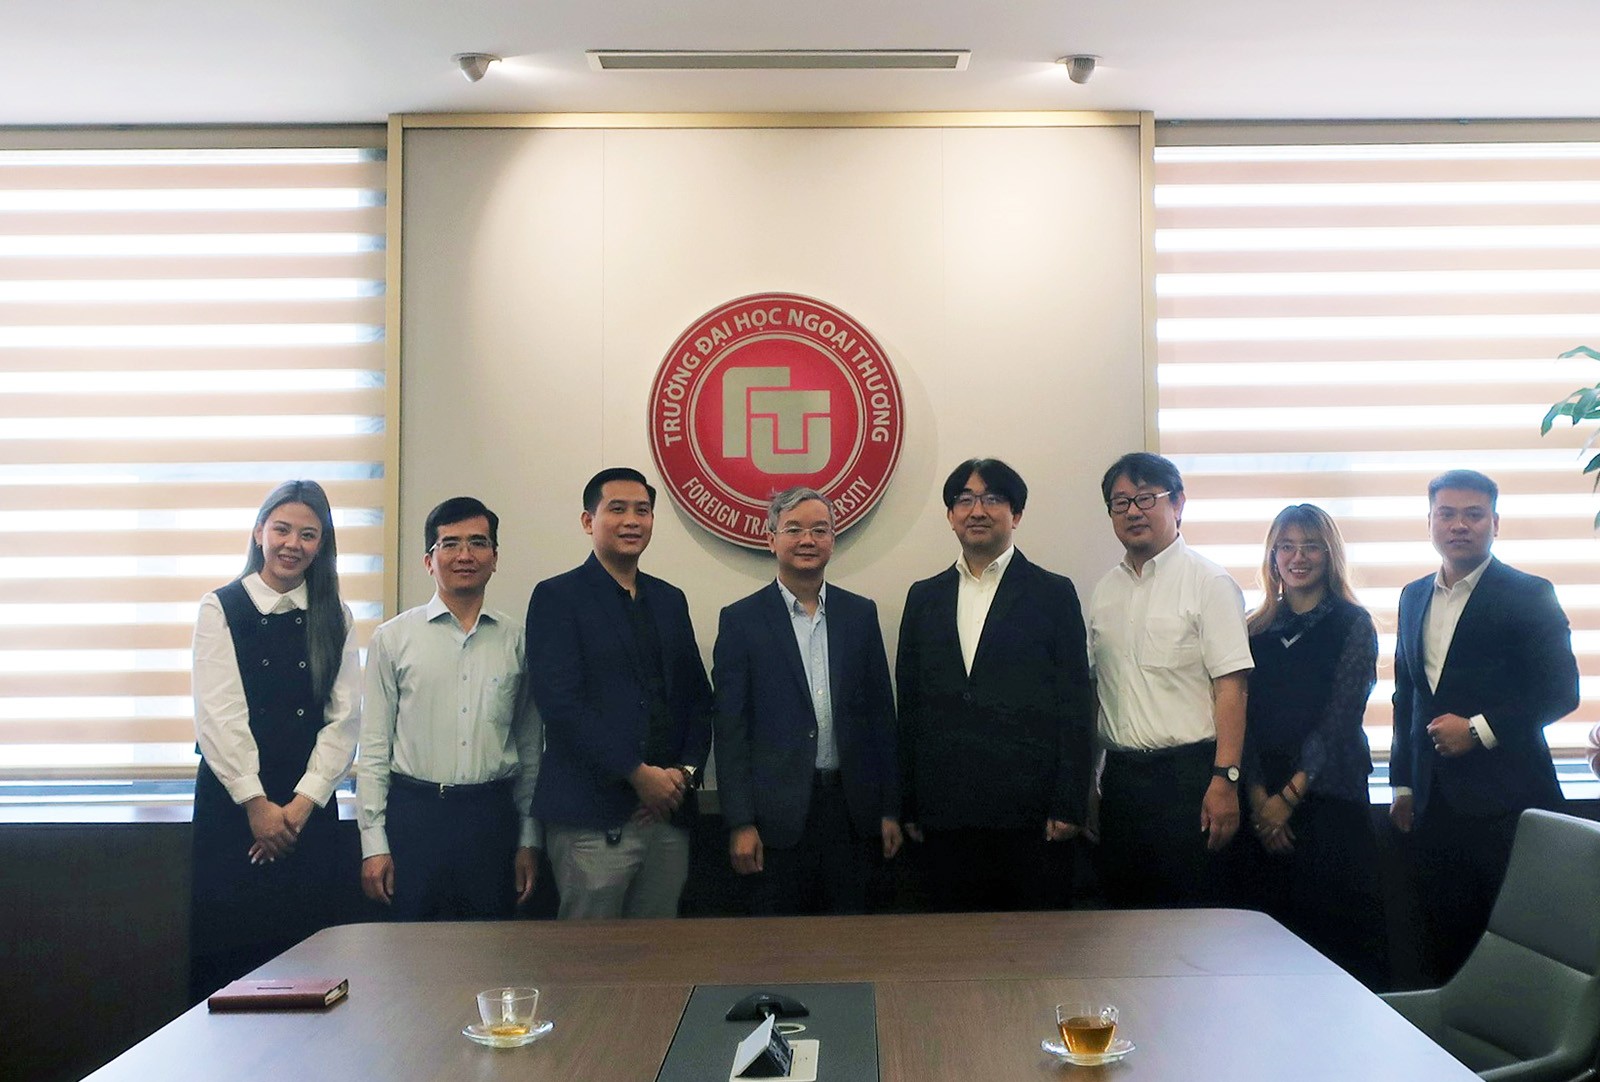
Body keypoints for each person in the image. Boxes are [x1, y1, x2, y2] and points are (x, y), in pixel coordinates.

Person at [1390, 469, 1579, 984]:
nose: (1459, 525)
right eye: (1447, 514)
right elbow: (1407, 695)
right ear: (1430, 522)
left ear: (1495, 523)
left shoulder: (1529, 593)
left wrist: (1477, 729)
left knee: (1516, 950)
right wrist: (1402, 784)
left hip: (1510, 804)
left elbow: (1561, 690)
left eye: (1473, 514)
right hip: (1431, 805)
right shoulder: (1412, 596)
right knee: (1441, 947)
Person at [895, 458, 1094, 912]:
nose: (977, 510)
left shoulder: (1053, 593)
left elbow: (1074, 704)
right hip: (944, 814)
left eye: (992, 499)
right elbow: (910, 706)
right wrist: (910, 802)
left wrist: (1069, 803)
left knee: (1034, 946)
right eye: (964, 500)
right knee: (952, 946)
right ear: (950, 516)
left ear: (1016, 514)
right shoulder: (924, 597)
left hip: (1031, 816)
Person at [189, 480, 361, 1001]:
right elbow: (218, 714)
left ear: (322, 544)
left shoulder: (336, 615)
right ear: (259, 531)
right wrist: (256, 804)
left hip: (308, 804)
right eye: (282, 529)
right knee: (230, 953)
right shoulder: (221, 607)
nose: (293, 544)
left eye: (308, 535)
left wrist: (302, 805)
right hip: (233, 803)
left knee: (311, 956)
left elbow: (344, 719)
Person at [526, 467, 714, 919]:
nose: (632, 520)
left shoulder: (670, 599)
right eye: (618, 509)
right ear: (588, 521)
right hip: (592, 820)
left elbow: (697, 698)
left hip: (667, 817)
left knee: (658, 954)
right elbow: (561, 705)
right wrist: (637, 774)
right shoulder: (557, 597)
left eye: (643, 510)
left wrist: (682, 775)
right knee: (592, 956)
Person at [713, 487, 901, 915]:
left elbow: (881, 718)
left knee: (853, 936)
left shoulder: (860, 614)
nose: (807, 540)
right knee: (781, 942)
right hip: (774, 820)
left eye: (819, 530)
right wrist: (740, 822)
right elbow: (730, 731)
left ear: (833, 539)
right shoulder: (741, 620)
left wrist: (890, 808)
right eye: (794, 529)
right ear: (771, 539)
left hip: (853, 813)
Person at [356, 496, 540, 921]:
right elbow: (374, 745)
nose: (465, 555)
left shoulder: (518, 641)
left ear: (495, 558)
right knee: (411, 951)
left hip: (492, 818)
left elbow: (531, 747)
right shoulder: (392, 639)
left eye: (478, 542)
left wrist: (529, 839)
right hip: (415, 818)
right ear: (429, 561)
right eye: (450, 544)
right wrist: (374, 844)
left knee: (491, 949)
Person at [1088, 452, 1252, 909]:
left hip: (1191, 781)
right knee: (1124, 923)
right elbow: (1099, 692)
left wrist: (1226, 780)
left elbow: (1232, 688)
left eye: (1146, 498)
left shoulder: (1210, 583)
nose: (1133, 512)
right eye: (1120, 502)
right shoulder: (1104, 591)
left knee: (1192, 923)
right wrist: (1091, 783)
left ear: (1178, 503)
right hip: (1121, 783)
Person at [1241, 504, 1388, 988]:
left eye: (1310, 547)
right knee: (1270, 958)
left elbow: (1339, 720)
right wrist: (1259, 799)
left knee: (1338, 951)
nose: (1297, 557)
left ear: (1330, 555)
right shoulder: (1254, 629)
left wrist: (1287, 799)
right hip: (1262, 812)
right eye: (1286, 546)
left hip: (1329, 802)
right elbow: (1243, 720)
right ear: (1273, 557)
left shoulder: (1353, 624)